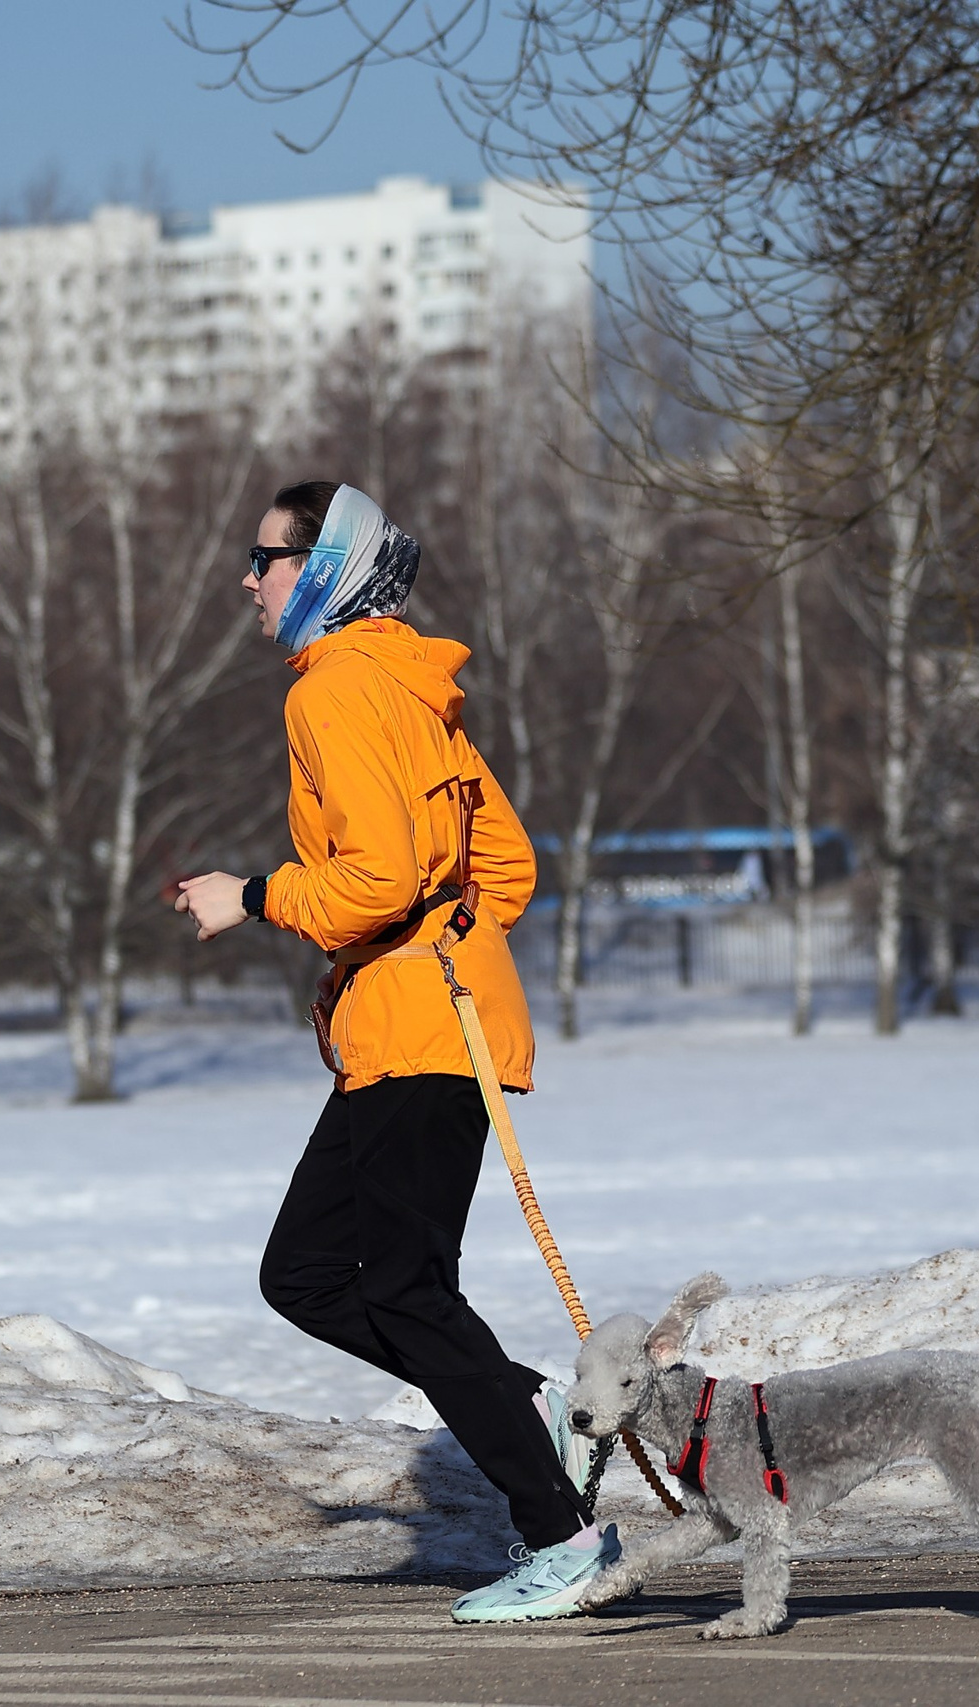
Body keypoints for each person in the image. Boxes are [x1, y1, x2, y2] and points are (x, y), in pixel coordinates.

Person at [174, 480, 617, 1624]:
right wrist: (447, 938)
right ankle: (525, 1422)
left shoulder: (334, 693)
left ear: (321, 566)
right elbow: (505, 866)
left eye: (265, 558)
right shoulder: (413, 682)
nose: (248, 579)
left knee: (407, 1291)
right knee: (308, 1276)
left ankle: (560, 1535)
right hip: (417, 1026)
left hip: (419, 1028)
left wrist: (256, 894)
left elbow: (378, 875)